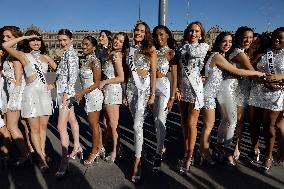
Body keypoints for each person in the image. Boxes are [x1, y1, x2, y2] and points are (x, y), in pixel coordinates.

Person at [200, 32, 265, 166]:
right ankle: (223, 150)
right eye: (224, 41)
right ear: (218, 42)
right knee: (230, 121)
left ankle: (217, 148)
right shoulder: (218, 56)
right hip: (215, 93)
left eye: (230, 41)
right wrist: (257, 72)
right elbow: (238, 72)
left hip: (215, 93)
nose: (227, 44)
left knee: (223, 121)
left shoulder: (222, 55)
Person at [2, 29, 56, 172]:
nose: (36, 42)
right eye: (32, 40)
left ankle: (43, 153)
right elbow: (6, 46)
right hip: (30, 94)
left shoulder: (46, 57)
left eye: (38, 39)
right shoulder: (23, 56)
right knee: (34, 128)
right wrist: (25, 36)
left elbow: (61, 71)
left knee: (43, 128)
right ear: (28, 42)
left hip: (44, 95)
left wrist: (54, 84)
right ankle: (40, 158)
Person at [173, 21, 209, 173]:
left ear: (201, 34)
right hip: (183, 89)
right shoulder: (181, 48)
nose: (193, 33)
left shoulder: (203, 47)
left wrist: (183, 46)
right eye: (191, 31)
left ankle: (189, 156)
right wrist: (177, 88)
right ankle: (187, 150)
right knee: (183, 123)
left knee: (191, 123)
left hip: (195, 90)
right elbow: (179, 69)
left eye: (197, 31)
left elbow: (194, 53)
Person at [216, 26, 254, 166]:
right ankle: (228, 150)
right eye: (245, 37)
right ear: (238, 37)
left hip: (236, 89)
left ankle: (223, 147)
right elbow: (252, 72)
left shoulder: (238, 51)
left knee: (228, 121)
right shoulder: (239, 53)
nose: (248, 40)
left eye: (251, 37)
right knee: (234, 121)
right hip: (234, 89)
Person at [248, 27, 284, 172]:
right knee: (254, 122)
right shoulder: (264, 51)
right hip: (257, 90)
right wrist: (263, 79)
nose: (276, 39)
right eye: (275, 36)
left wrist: (281, 77)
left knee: (269, 125)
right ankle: (254, 147)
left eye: (280, 37)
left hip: (276, 93)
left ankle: (268, 156)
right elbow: (250, 68)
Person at [125, 21, 157, 183]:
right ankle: (142, 154)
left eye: (142, 31)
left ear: (146, 33)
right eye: (137, 30)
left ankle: (136, 162)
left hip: (144, 89)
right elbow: (127, 73)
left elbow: (153, 73)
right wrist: (125, 92)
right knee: (137, 124)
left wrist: (152, 94)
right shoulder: (129, 50)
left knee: (137, 125)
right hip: (131, 90)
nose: (138, 32)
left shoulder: (150, 49)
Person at [1, 26, 31, 166]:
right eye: (4, 37)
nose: (4, 39)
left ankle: (25, 154)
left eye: (8, 37)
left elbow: (19, 80)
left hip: (15, 94)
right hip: (8, 93)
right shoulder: (8, 55)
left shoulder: (15, 55)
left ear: (16, 39)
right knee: (8, 126)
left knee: (13, 126)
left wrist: (14, 98)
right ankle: (10, 154)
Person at [99, 32, 129, 163]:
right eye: (116, 38)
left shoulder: (116, 55)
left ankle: (115, 151)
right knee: (107, 122)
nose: (117, 41)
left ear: (124, 45)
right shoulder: (111, 53)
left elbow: (121, 77)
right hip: (107, 90)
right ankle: (110, 145)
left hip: (112, 90)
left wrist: (105, 82)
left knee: (113, 123)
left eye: (121, 41)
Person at [55, 29, 81, 177]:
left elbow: (73, 75)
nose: (62, 43)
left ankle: (64, 163)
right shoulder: (65, 53)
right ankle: (77, 145)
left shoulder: (71, 54)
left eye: (65, 40)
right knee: (72, 119)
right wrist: (55, 84)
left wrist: (67, 93)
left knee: (60, 126)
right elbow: (63, 74)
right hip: (62, 90)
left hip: (66, 93)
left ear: (71, 40)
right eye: (60, 40)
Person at [75, 36, 104, 166]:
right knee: (95, 125)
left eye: (87, 44)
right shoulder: (86, 60)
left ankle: (94, 151)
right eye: (82, 44)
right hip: (88, 95)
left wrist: (81, 93)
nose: (84, 47)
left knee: (93, 126)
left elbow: (97, 83)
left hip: (94, 96)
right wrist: (83, 96)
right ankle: (100, 147)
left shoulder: (95, 61)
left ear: (94, 47)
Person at [151, 25, 176, 171]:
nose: (159, 38)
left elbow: (174, 77)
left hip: (165, 88)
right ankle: (162, 146)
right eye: (156, 35)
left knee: (161, 120)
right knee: (155, 121)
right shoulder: (152, 51)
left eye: (161, 34)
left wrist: (172, 97)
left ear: (167, 35)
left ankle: (158, 153)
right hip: (153, 88)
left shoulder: (171, 53)